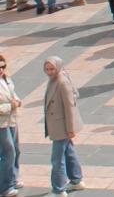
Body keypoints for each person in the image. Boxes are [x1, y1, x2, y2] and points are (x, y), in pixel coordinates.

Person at [42, 57, 83, 197]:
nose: (49, 72)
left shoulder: (62, 82)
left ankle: (59, 189)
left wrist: (70, 129)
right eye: (47, 69)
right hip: (58, 125)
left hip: (61, 127)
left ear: (58, 67)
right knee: (69, 152)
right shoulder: (55, 80)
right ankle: (76, 180)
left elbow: (70, 106)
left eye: (52, 69)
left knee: (57, 159)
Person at [0, 52, 18, 197]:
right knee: (8, 152)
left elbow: (13, 95)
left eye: (3, 67)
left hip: (12, 120)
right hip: (1, 124)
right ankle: (6, 186)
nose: (1, 70)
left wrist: (17, 101)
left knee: (16, 150)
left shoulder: (6, 79)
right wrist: (11, 106)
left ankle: (13, 177)